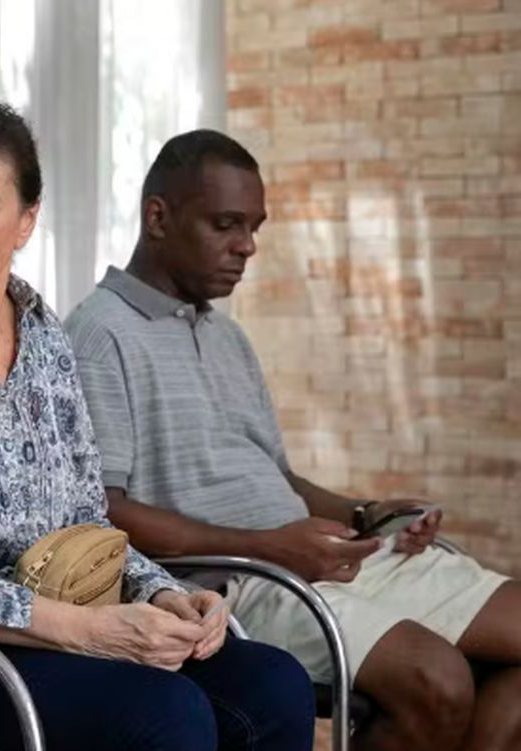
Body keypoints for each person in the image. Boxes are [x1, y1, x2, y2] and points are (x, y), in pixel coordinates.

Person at [0, 96, 314, 751]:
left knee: (273, 684)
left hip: (53, 625)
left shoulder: (45, 337)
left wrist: (159, 594)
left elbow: (87, 523)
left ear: (26, 219)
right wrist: (78, 628)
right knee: (162, 714)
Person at [64, 128, 521, 751]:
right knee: (439, 682)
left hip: (319, 558)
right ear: (158, 217)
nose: (246, 247)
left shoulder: (227, 338)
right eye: (226, 224)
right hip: (239, 583)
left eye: (254, 227)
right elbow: (103, 513)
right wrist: (273, 549)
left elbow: (277, 477)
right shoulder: (98, 336)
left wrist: (365, 513)